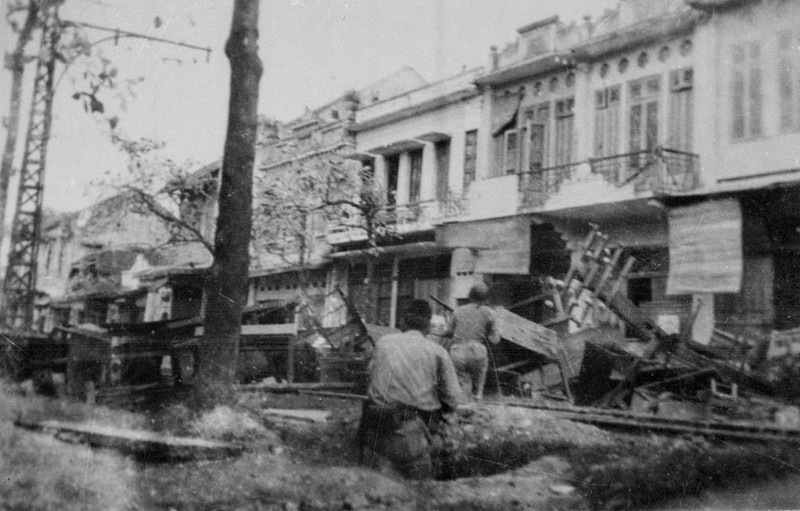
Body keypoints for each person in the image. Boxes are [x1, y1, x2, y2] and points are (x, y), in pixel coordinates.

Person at [358, 299, 461, 479]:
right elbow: (452, 400)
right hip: (412, 433)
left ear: (403, 322)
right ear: (428, 326)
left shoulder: (383, 343)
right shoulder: (438, 352)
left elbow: (371, 377)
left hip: (376, 427)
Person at [443, 282, 500, 399]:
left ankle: (458, 408)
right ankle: (477, 396)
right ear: (486, 298)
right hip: (477, 351)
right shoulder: (490, 313)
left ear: (470, 296)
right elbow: (495, 339)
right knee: (478, 382)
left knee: (458, 388)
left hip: (458, 351)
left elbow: (447, 332)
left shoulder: (458, 311)